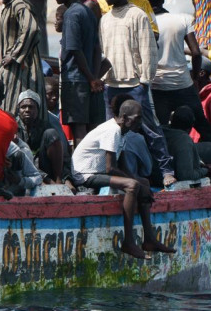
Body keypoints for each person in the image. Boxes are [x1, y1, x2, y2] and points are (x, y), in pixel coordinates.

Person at [73, 97, 176, 258]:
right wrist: (135, 183)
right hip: (85, 174)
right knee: (132, 186)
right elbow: (110, 168)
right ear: (125, 118)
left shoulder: (124, 132)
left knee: (143, 182)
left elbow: (122, 166)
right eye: (137, 119)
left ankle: (148, 238)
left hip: (98, 173)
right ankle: (128, 241)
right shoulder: (112, 131)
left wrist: (141, 183)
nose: (140, 123)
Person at [99, 0, 177, 186]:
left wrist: (144, 81)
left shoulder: (138, 15)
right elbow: (103, 52)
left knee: (151, 129)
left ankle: (166, 171)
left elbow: (149, 51)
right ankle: (116, 177)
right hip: (111, 84)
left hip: (135, 83)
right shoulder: (104, 19)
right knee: (112, 133)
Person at [143, 0, 211, 149]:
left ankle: (165, 168)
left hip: (157, 85)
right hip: (183, 84)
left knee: (161, 129)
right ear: (163, 0)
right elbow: (196, 53)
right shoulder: (182, 19)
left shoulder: (145, 23)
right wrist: (195, 78)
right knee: (202, 124)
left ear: (145, 2)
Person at [54, 0, 104, 144]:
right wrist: (95, 77)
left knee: (79, 129)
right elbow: (97, 48)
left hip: (75, 80)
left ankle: (80, 170)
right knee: (91, 129)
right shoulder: (87, 11)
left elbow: (75, 49)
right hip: (88, 80)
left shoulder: (72, 14)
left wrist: (91, 78)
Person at [0, 0, 45, 115]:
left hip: (20, 72)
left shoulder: (18, 4)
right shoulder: (9, 5)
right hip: (9, 71)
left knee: (15, 111)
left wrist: (14, 55)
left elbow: (32, 29)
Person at [15, 91, 71, 184]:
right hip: (22, 169)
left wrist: (67, 179)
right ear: (19, 110)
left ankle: (58, 180)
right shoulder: (14, 126)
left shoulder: (45, 126)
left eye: (31, 107)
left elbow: (63, 155)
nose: (27, 110)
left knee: (51, 133)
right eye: (23, 107)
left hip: (43, 166)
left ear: (38, 110)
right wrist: (45, 179)